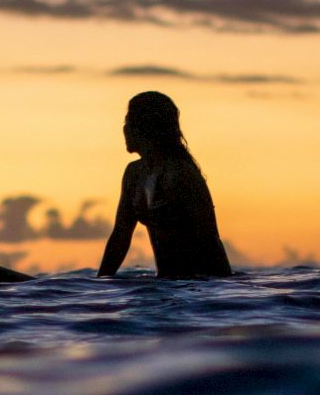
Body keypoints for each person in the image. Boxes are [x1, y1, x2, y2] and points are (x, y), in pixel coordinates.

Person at [98, 91, 232, 278]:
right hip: (167, 284)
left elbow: (207, 239)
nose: (124, 129)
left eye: (127, 121)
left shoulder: (179, 174)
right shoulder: (134, 174)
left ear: (145, 127)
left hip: (202, 285)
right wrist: (101, 285)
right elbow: (120, 236)